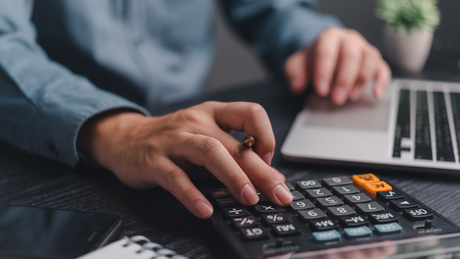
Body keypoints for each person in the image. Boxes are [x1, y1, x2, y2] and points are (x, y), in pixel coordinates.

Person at [0, 1, 390, 219]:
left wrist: (316, 39)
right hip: (47, 157)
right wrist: (119, 130)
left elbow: (273, 9)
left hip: (196, 147)